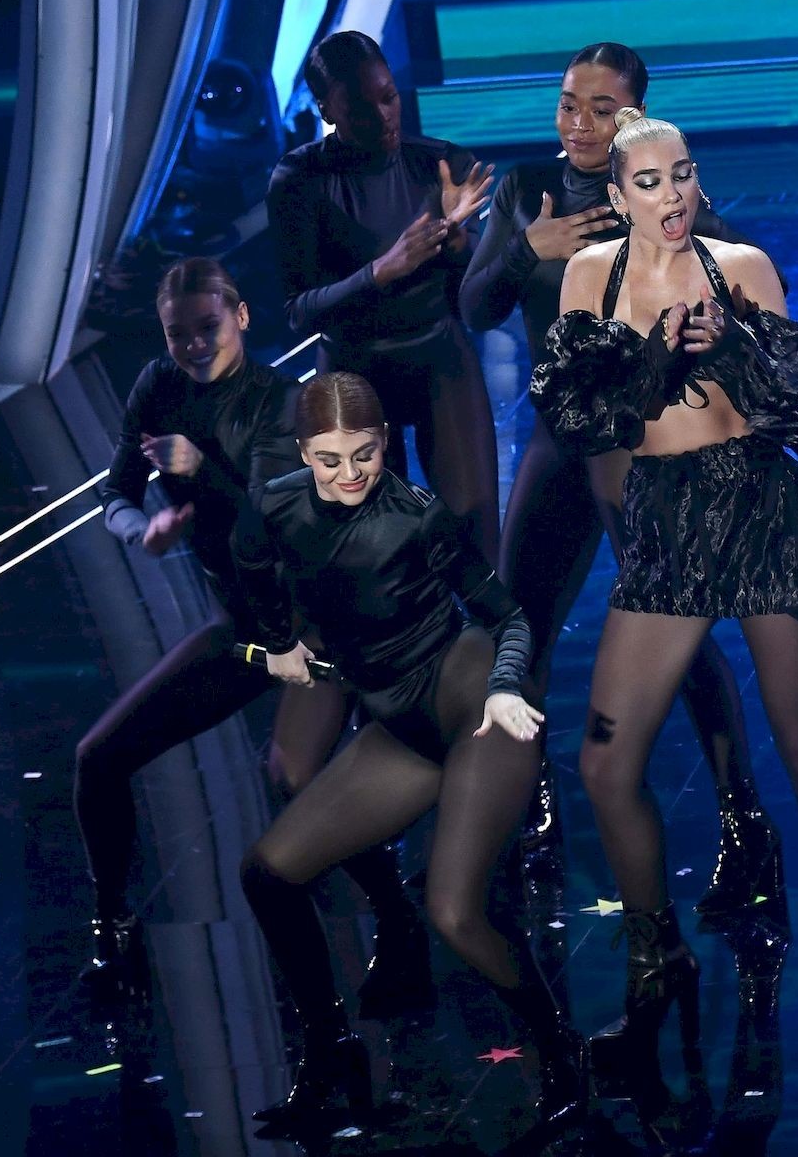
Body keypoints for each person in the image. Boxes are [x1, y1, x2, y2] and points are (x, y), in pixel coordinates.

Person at [530, 108, 798, 1155]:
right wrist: (650, 364)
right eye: (650, 182)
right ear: (618, 196)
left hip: (762, 510)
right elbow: (578, 420)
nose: (674, 196)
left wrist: (729, 345)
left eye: (684, 175)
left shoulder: (743, 268)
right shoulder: (588, 279)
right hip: (664, 527)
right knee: (606, 763)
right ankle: (658, 957)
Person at [459, 41, 779, 909]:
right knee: (518, 627)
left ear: (634, 115)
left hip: (647, 449)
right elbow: (476, 307)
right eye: (569, 103)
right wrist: (523, 251)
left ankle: (744, 822)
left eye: (601, 109)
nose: (578, 123)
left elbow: (743, 286)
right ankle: (531, 817)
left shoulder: (657, 191)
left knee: (678, 633)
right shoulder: (529, 189)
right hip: (561, 440)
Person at [229, 372, 578, 1142]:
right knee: (269, 873)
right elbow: (245, 562)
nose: (349, 474)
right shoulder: (275, 505)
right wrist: (279, 642)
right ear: (302, 453)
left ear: (385, 442)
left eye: (364, 454)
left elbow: (509, 617)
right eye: (329, 460)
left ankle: (560, 1054)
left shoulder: (418, 517)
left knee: (455, 912)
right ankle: (331, 1058)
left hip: (477, 707)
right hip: (400, 726)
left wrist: (506, 687)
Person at [75, 259, 425, 1017]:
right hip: (246, 627)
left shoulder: (281, 404)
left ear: (240, 318)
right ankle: (113, 931)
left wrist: (201, 471)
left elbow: (276, 528)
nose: (194, 346)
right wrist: (144, 529)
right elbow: (116, 494)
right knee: (98, 759)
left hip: (319, 619)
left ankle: (398, 921)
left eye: (208, 327)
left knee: (294, 776)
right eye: (178, 334)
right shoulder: (158, 387)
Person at [267, 30, 500, 556]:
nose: (383, 117)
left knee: (477, 536)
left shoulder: (441, 165)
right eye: (359, 108)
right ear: (327, 110)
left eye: (388, 97)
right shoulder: (300, 180)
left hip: (439, 355)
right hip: (353, 372)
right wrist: (381, 270)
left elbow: (484, 297)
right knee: (376, 552)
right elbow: (297, 312)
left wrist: (459, 239)